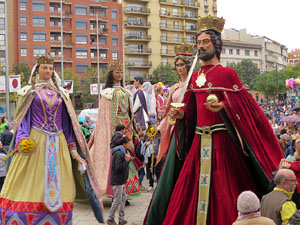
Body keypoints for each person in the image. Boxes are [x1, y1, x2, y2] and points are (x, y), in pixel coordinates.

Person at [144, 16, 283, 225]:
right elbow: (190, 110)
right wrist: (181, 115)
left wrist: (224, 107)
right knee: (187, 194)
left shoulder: (227, 74)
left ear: (216, 44)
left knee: (225, 189)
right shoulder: (194, 77)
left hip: (223, 143)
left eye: (205, 42)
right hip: (199, 143)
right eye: (198, 42)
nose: (201, 46)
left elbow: (247, 108)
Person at [0, 55, 103, 224]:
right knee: (30, 183)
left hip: (59, 143)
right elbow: (24, 120)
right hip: (35, 143)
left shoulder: (61, 93)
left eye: (50, 68)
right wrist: (23, 140)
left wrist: (74, 152)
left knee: (62, 185)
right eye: (44, 68)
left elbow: (67, 125)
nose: (48, 71)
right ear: (37, 71)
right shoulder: (28, 92)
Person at [89, 60, 141, 198]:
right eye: (117, 72)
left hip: (127, 129)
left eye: (121, 72)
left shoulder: (125, 92)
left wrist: (134, 129)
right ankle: (115, 193)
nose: (119, 74)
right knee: (117, 159)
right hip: (114, 131)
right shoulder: (107, 93)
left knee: (128, 159)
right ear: (111, 74)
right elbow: (104, 116)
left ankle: (127, 193)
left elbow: (129, 111)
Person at [107, 137, 131, 225]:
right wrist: (126, 160)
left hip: (121, 180)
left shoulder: (123, 152)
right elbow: (118, 168)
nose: (130, 145)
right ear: (124, 144)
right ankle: (110, 218)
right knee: (117, 200)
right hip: (117, 181)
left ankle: (121, 219)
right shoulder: (119, 153)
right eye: (128, 143)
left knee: (123, 198)